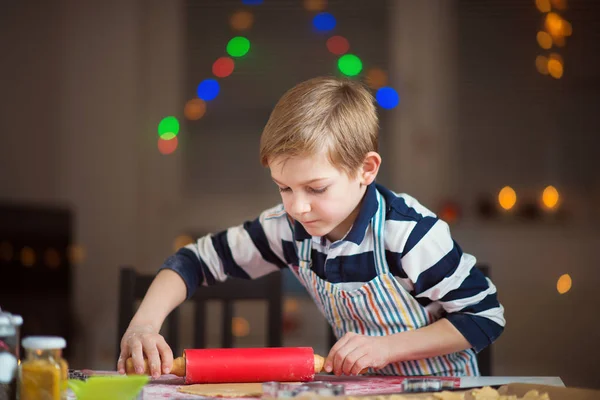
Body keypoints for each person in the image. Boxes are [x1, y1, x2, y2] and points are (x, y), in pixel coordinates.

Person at [117, 76, 505, 379]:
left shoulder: (410, 234)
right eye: (284, 187)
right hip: (356, 391)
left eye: (316, 188)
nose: (298, 206)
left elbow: (484, 317)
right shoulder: (287, 229)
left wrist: (387, 348)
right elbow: (193, 262)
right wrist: (143, 325)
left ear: (365, 170)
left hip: (442, 391)